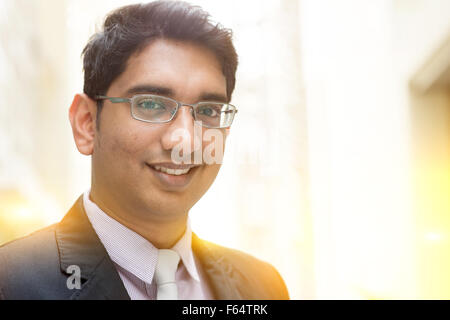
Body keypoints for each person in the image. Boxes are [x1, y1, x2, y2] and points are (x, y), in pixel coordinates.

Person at [0, 0, 289, 300]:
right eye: (151, 105)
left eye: (208, 111)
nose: (185, 141)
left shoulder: (262, 286)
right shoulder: (11, 282)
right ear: (86, 123)